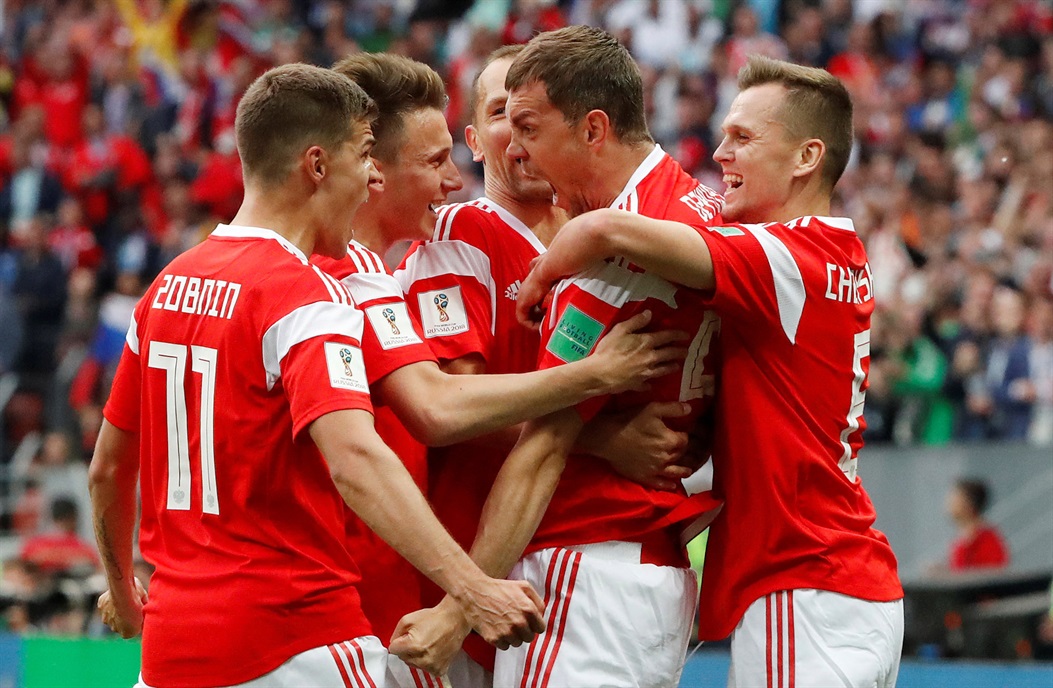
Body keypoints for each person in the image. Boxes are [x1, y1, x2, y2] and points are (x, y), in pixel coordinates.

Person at [88, 63, 549, 688]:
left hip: (173, 649)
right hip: (294, 638)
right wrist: (471, 589)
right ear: (317, 165)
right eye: (364, 158)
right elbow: (366, 451)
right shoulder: (305, 292)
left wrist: (123, 588)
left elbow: (109, 468)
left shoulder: (165, 289)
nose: (371, 178)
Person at [514, 54, 905, 687]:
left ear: (807, 157)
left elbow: (607, 229)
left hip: (800, 578)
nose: (721, 154)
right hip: (847, 580)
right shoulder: (837, 252)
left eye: (743, 138)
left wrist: (539, 277)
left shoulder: (783, 258)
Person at [316, 51, 687, 688]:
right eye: (501, 117)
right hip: (454, 575)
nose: (518, 138)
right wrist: (598, 421)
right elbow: (444, 406)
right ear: (475, 140)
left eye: (533, 121)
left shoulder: (606, 239)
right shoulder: (459, 233)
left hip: (498, 576)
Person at [946, 478, 1010, 571]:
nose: (949, 503)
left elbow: (993, 572)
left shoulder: (987, 539)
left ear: (968, 504)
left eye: (954, 498)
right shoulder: (964, 538)